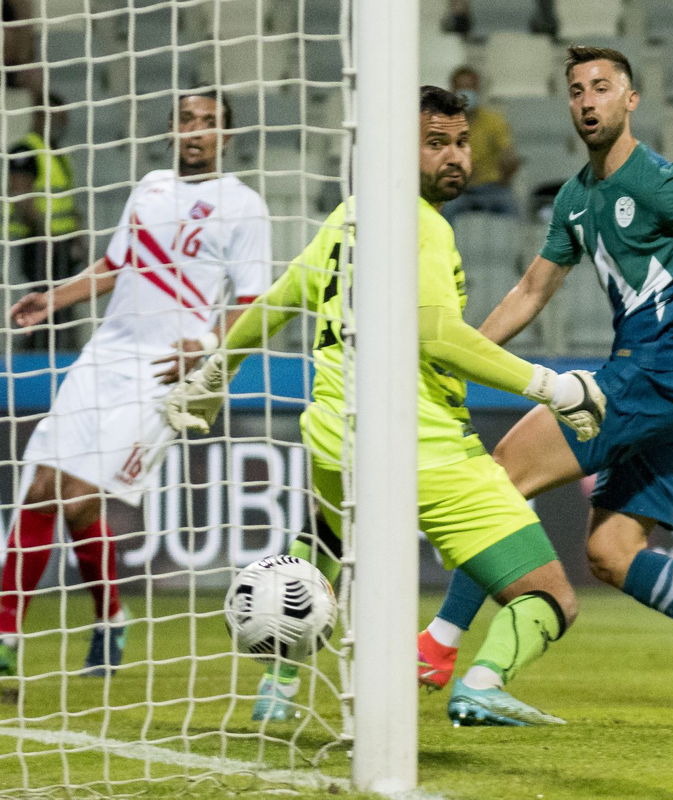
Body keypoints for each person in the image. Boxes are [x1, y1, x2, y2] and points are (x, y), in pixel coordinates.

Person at [162, 86, 608, 728]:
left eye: (459, 143)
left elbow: (279, 301)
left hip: (333, 438)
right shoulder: (422, 226)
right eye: (435, 144)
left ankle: (279, 687)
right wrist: (554, 387)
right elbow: (437, 335)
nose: (455, 157)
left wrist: (213, 375)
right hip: (424, 448)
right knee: (549, 597)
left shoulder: (348, 216)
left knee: (322, 541)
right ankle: (480, 683)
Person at [413, 45, 673, 704]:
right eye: (577, 91)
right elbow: (531, 290)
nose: (588, 101)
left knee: (502, 474)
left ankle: (440, 644)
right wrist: (457, 352)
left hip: (653, 377)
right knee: (612, 552)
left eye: (602, 88)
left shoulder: (660, 181)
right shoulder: (577, 199)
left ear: (630, 100)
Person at [3, 90, 269, 678]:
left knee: (74, 496)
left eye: (208, 123)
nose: (196, 131)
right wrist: (53, 298)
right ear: (171, 130)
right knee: (44, 482)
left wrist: (203, 350)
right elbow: (114, 266)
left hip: (163, 370)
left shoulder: (243, 205)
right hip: (106, 352)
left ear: (226, 137)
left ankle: (107, 617)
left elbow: (251, 304)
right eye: (186, 120)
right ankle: (11, 638)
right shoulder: (148, 187)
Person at [6, 90, 84, 349]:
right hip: (37, 243)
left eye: (63, 118)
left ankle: (55, 349)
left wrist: (76, 236)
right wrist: (44, 236)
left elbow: (66, 201)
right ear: (38, 117)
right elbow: (21, 196)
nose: (59, 123)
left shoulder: (57, 152)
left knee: (61, 303)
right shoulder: (25, 150)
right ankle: (35, 351)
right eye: (54, 117)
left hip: (60, 244)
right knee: (42, 302)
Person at [440, 65, 521, 222]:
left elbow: (508, 154)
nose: (466, 92)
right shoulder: (443, 123)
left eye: (470, 87)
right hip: (457, 190)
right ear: (452, 90)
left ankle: (517, 247)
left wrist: (506, 172)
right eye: (461, 88)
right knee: (443, 212)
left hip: (491, 188)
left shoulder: (494, 121)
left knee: (512, 209)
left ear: (478, 89)